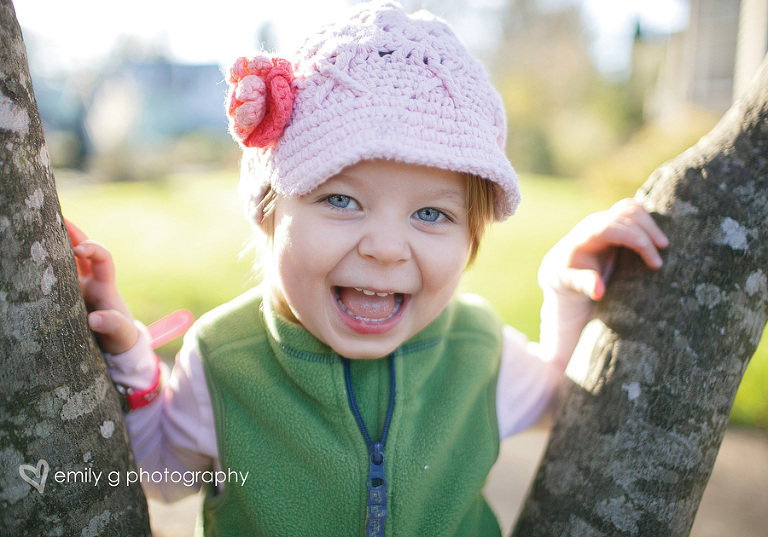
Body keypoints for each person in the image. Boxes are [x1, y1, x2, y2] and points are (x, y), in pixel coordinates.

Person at [70, 2, 668, 535]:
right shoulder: (228, 357)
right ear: (269, 213)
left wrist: (563, 288)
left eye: (431, 213)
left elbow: (566, 402)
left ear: (471, 239)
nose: (386, 248)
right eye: (340, 200)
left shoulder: (474, 347)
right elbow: (164, 477)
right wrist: (132, 363)